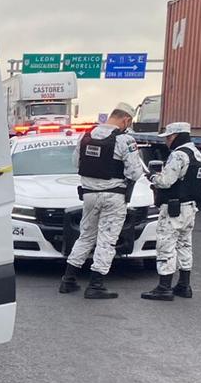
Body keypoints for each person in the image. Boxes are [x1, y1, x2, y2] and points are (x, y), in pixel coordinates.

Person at [58, 102, 147, 299]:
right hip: (113, 196)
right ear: (126, 120)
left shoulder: (85, 135)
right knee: (107, 240)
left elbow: (75, 163)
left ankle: (68, 279)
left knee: (86, 235)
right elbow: (135, 171)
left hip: (89, 194)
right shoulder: (125, 140)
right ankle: (96, 284)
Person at [141, 122, 201, 301]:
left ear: (176, 136)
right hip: (190, 208)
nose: (167, 141)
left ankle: (164, 287)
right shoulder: (199, 154)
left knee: (166, 246)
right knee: (185, 245)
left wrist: (152, 176)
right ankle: (184, 285)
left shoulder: (178, 155)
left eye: (169, 137)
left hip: (173, 208)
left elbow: (166, 181)